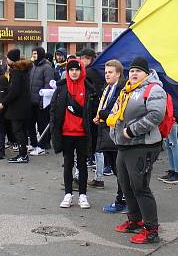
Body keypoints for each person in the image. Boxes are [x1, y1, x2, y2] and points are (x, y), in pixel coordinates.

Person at [108, 57, 165, 244]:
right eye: (132, 70)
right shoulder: (127, 90)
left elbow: (156, 115)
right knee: (126, 184)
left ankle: (152, 230)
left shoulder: (153, 89)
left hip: (142, 146)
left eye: (138, 71)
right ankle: (135, 220)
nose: (133, 73)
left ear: (146, 73)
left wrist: (131, 131)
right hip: (124, 145)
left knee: (140, 187)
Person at [50, 59, 94, 209]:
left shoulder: (89, 88)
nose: (74, 72)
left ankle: (83, 195)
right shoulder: (61, 89)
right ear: (67, 72)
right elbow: (54, 110)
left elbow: (92, 111)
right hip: (66, 133)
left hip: (82, 134)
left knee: (82, 165)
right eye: (71, 70)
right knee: (67, 164)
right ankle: (68, 194)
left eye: (76, 69)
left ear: (81, 71)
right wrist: (54, 129)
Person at [93, 59, 128, 212]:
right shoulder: (108, 88)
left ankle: (122, 200)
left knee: (119, 169)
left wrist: (102, 114)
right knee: (116, 169)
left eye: (110, 72)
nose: (107, 75)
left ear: (118, 74)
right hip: (107, 133)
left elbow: (116, 112)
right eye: (106, 72)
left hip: (115, 134)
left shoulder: (121, 90)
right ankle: (123, 198)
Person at [0, 49, 33, 163]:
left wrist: (4, 102)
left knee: (18, 131)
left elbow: (14, 91)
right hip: (24, 106)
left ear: (11, 59)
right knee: (22, 131)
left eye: (7, 58)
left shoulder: (16, 72)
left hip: (17, 107)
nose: (6, 60)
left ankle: (22, 155)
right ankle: (23, 153)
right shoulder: (23, 70)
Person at [28, 47, 55, 156]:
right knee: (30, 124)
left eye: (35, 53)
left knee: (42, 125)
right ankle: (34, 144)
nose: (34, 55)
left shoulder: (47, 67)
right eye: (33, 53)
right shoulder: (34, 66)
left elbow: (48, 85)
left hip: (41, 102)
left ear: (40, 54)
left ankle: (42, 146)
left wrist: (43, 101)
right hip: (32, 101)